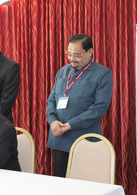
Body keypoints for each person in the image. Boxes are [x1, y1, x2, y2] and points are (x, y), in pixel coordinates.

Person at [46, 34, 113, 177]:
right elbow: (51, 101)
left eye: (76, 55)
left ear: (90, 52)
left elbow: (99, 108)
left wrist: (70, 125)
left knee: (84, 185)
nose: (71, 58)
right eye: (69, 54)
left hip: (84, 139)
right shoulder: (63, 71)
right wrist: (52, 122)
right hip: (58, 138)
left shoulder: (102, 74)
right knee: (61, 184)